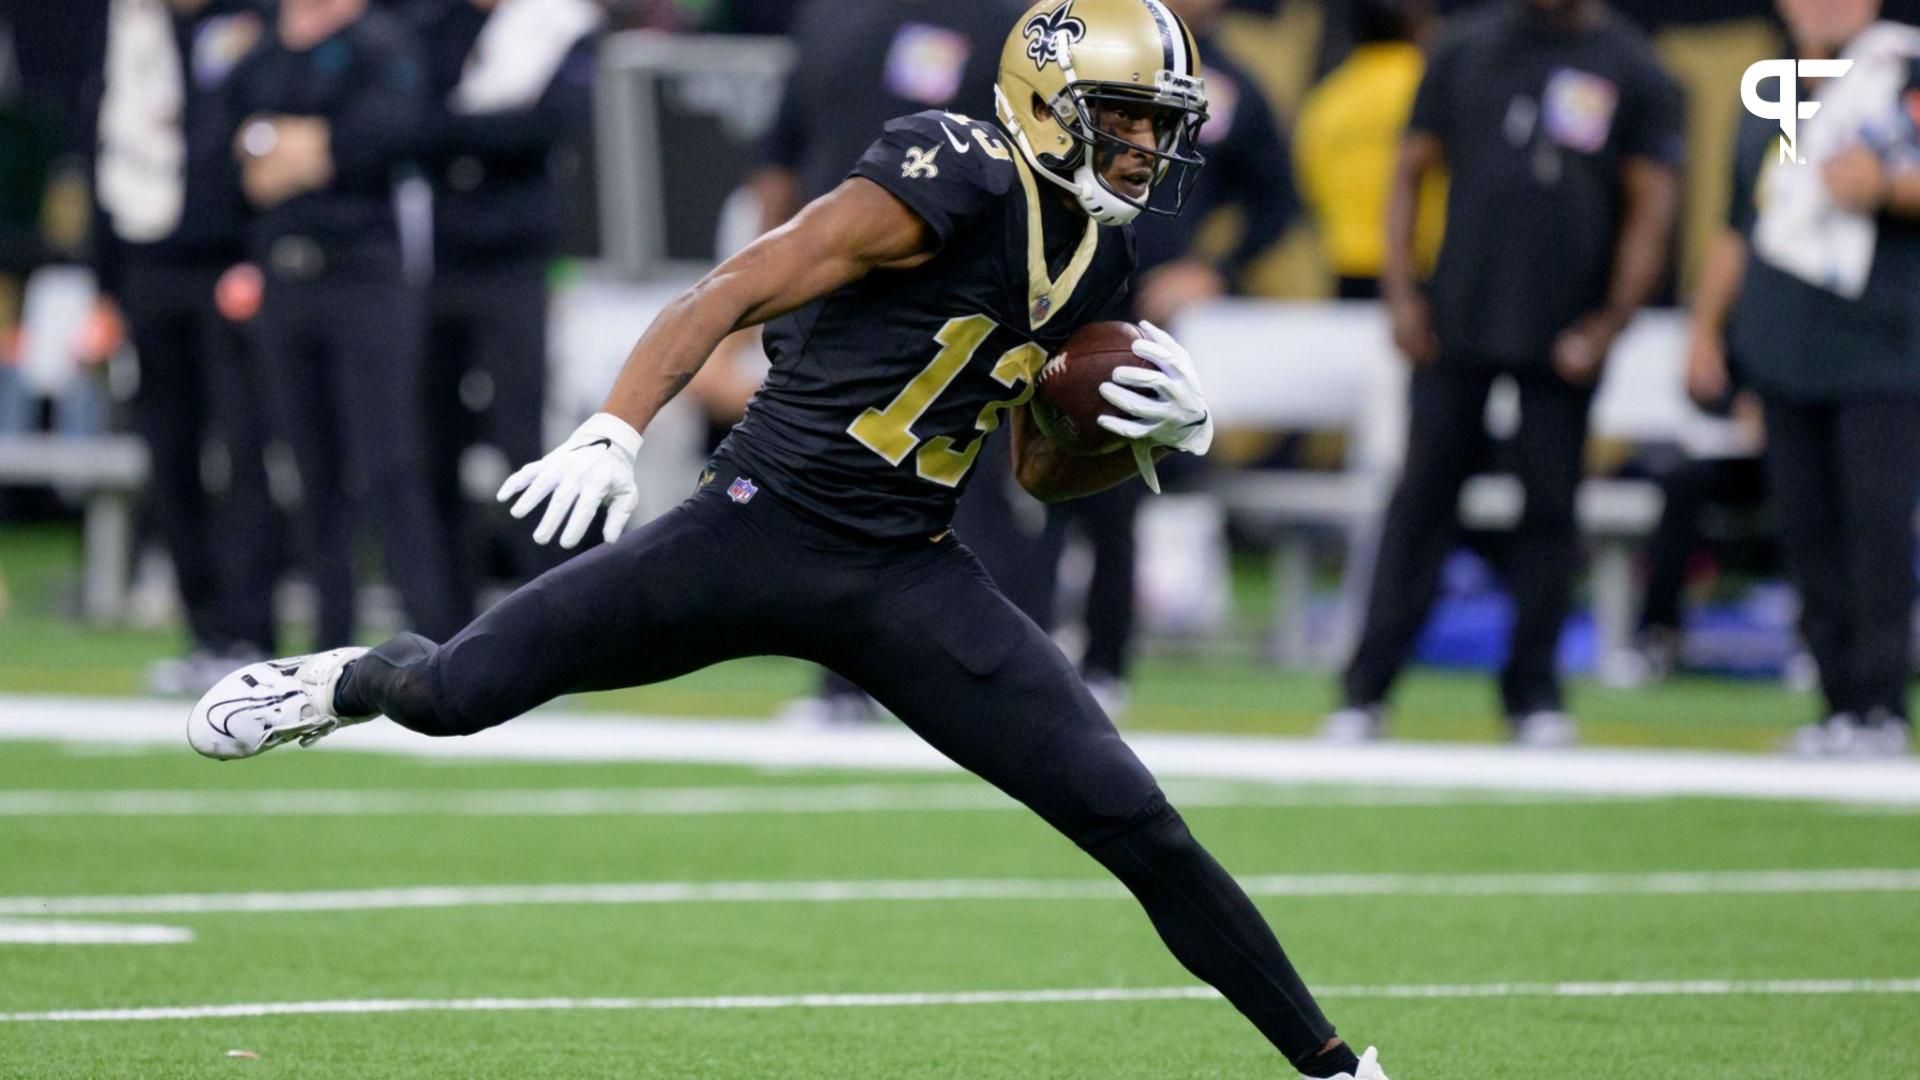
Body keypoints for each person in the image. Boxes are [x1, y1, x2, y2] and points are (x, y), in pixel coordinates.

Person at [188, 3, 1391, 1076]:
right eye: (1124, 118)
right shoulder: (947, 169)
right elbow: (734, 286)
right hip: (749, 533)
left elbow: (1031, 464)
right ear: (1043, 101)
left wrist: (1142, 434)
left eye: (1158, 125)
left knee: (1136, 822)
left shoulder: (1105, 246)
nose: (1146, 147)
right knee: (453, 695)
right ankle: (351, 676)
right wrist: (616, 424)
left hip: (909, 575)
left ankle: (1336, 1071)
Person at [1323, 0, 1683, 746]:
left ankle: (1533, 694)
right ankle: (1366, 688)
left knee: (1551, 508)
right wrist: (1401, 291)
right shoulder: (1464, 47)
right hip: (1459, 313)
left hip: (1565, 326)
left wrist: (1611, 319)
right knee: (1421, 498)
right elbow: (1411, 169)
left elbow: (1654, 202)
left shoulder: (1634, 66)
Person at [1704, 0, 1920, 756]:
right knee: (1806, 531)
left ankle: (1883, 706)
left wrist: (1892, 188)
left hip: (1880, 347)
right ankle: (1836, 702)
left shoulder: (1902, 69)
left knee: (1876, 531)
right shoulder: (1777, 88)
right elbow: (1748, 220)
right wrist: (1708, 327)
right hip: (1784, 347)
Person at [226, 0, 465, 648]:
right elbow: (238, 143)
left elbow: (389, 135)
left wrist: (292, 145)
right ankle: (331, 637)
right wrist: (293, 144)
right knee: (309, 466)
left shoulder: (381, 41)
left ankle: (435, 632)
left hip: (366, 275)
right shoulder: (264, 45)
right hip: (286, 273)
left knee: (389, 458)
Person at [86, 0, 282, 691]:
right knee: (169, 453)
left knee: (244, 451)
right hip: (148, 266)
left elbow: (263, 141)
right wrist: (104, 288)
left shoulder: (251, 23)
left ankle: (254, 630)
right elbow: (102, 148)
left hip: (228, 268)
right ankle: (204, 630)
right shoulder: (131, 27)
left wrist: (260, 254)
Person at [407, 0, 600, 601]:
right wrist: (476, 128)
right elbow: (400, 124)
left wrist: (449, 131)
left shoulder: (558, 24)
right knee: (430, 440)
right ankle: (443, 617)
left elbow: (547, 125)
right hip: (432, 259)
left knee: (523, 436)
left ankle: (548, 605)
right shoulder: (430, 25)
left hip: (516, 263)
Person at [1294, 0, 1444, 299]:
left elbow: (1306, 179)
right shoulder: (1427, 85)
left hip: (1346, 264)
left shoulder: (1326, 100)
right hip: (1418, 264)